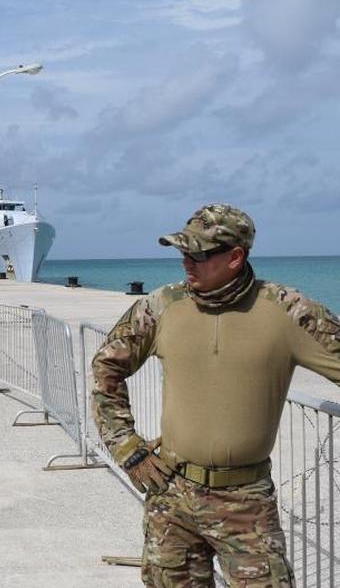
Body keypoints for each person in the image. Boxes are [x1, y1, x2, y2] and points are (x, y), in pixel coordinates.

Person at [91, 203, 340, 588]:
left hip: (245, 503)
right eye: (183, 253)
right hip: (170, 495)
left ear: (235, 257)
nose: (186, 264)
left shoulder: (288, 311)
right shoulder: (161, 306)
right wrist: (128, 448)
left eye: (199, 255)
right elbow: (106, 367)